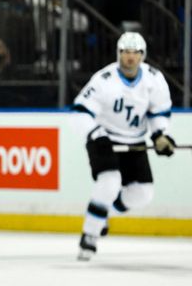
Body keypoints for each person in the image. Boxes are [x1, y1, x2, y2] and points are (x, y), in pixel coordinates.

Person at [71, 32, 175, 261]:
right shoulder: (104, 80)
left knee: (143, 194)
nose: (130, 57)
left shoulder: (154, 79)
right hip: (104, 139)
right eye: (125, 52)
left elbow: (159, 111)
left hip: (135, 142)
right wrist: (96, 135)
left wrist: (160, 135)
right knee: (110, 181)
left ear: (143, 56)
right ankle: (90, 235)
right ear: (118, 54)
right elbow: (80, 112)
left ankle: (105, 209)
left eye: (135, 53)